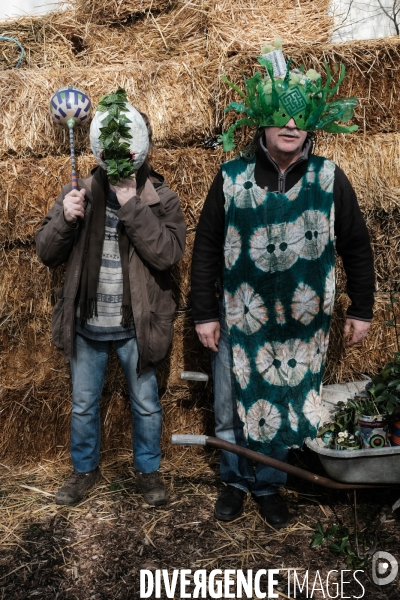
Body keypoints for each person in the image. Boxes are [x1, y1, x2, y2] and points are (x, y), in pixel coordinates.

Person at [191, 44, 374, 528]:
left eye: (299, 118)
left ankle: (271, 485)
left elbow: (356, 244)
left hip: (300, 325)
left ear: (311, 122)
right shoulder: (231, 179)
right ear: (262, 123)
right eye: (280, 117)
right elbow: (207, 246)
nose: (290, 126)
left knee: (283, 402)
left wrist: (363, 308)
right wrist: (204, 314)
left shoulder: (329, 178)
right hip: (237, 317)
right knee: (230, 405)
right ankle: (234, 481)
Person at [36, 88, 186, 506]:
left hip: (136, 325)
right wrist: (66, 218)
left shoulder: (161, 198)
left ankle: (148, 473)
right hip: (87, 325)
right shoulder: (80, 192)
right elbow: (46, 252)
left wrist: (132, 204)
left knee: (146, 404)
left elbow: (168, 254)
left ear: (143, 145)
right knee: (83, 405)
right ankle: (84, 472)